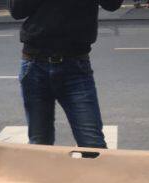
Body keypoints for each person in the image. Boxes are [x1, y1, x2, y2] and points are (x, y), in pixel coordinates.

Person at [10, 0, 123, 148]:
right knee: (39, 145)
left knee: (93, 146)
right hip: (35, 64)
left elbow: (112, 5)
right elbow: (17, 11)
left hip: (75, 66)